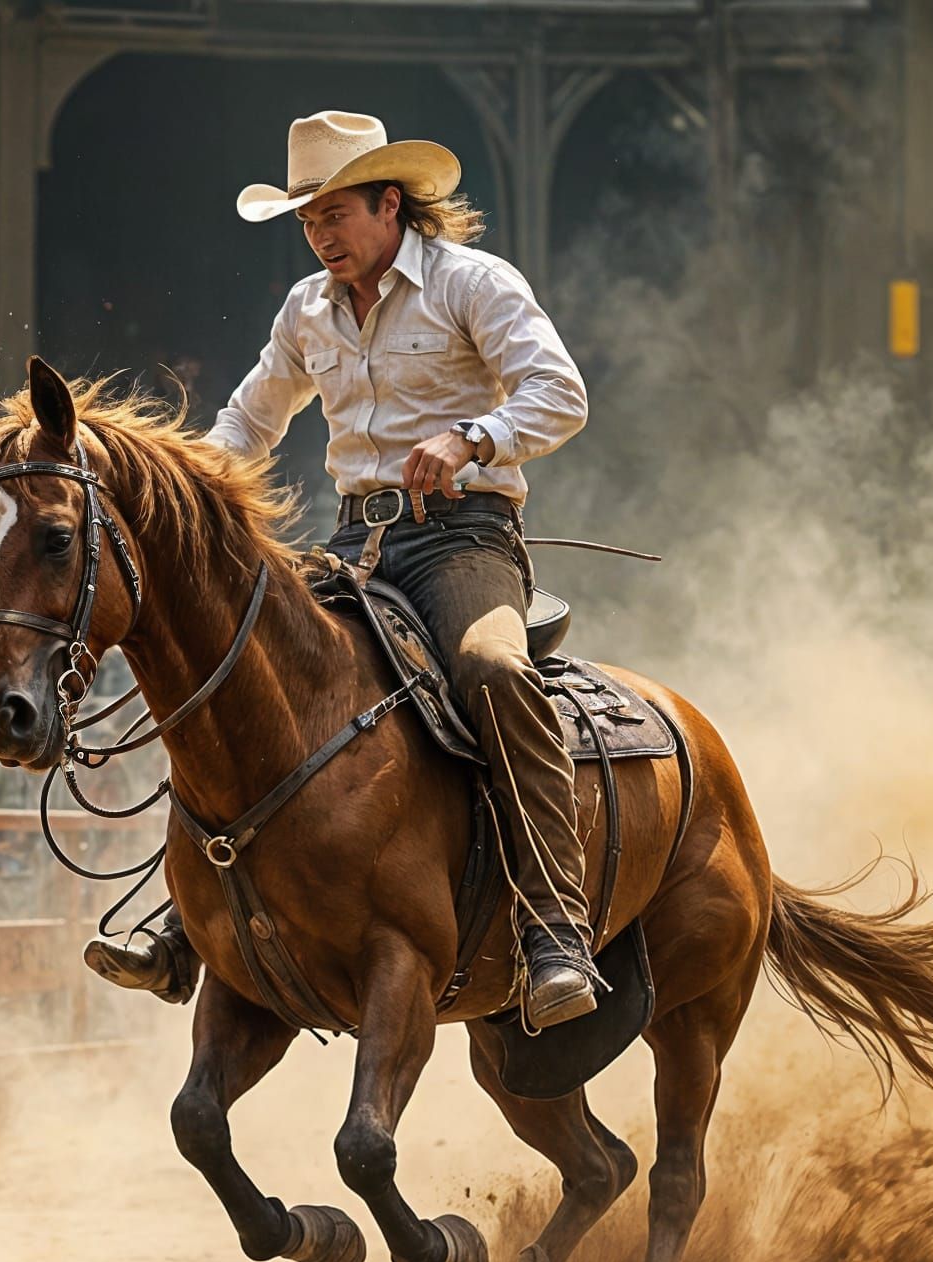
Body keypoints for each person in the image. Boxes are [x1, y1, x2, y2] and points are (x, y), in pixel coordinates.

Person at [90, 110, 599, 1029]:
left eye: (334, 213)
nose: (320, 234)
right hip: (353, 545)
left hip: (462, 539)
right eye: (307, 219)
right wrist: (186, 493)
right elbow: (249, 422)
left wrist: (473, 436)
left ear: (389, 203)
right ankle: (184, 923)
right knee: (242, 675)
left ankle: (556, 926)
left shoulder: (470, 283)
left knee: (493, 668)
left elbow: (559, 393)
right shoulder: (305, 311)